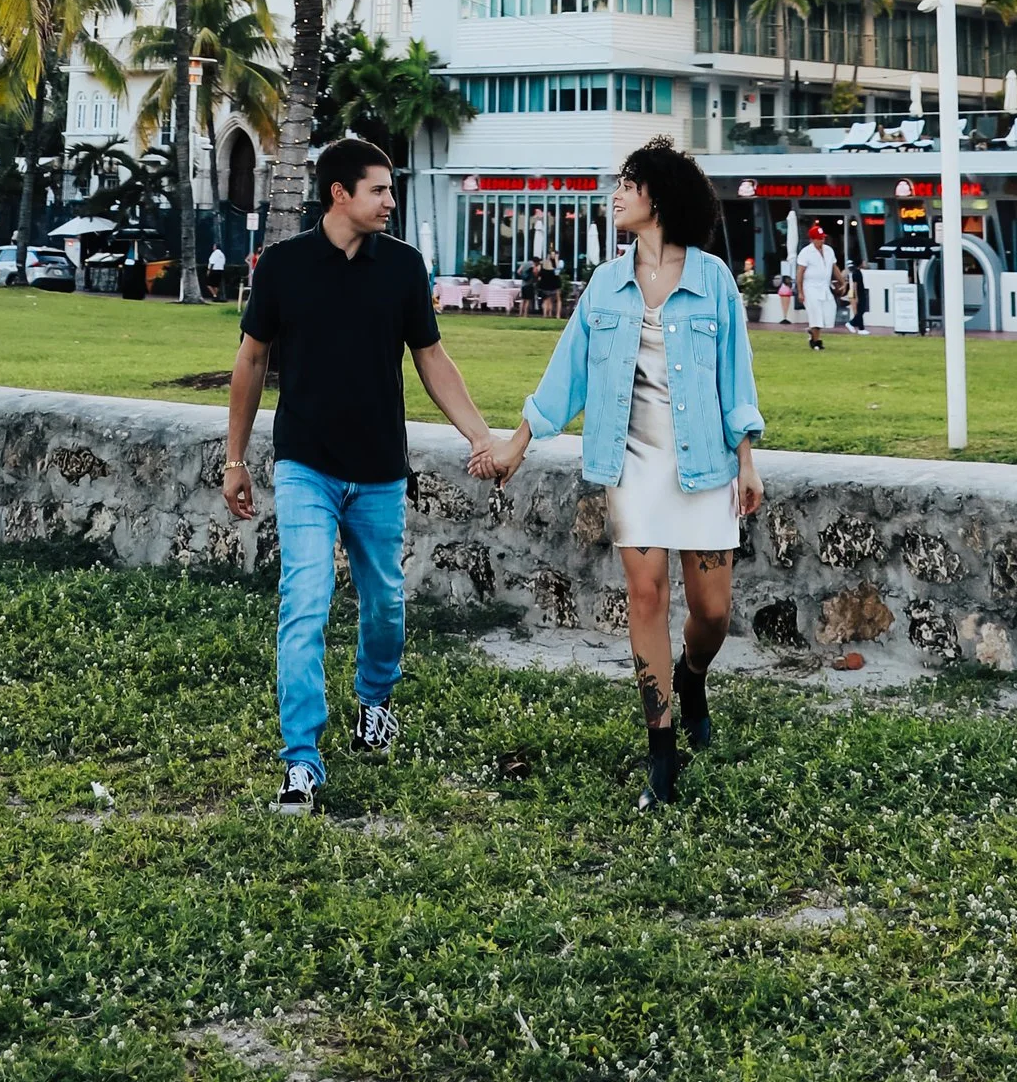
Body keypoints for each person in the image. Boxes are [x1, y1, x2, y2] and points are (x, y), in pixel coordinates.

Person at [223, 135, 504, 817]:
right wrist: (235, 459)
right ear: (339, 194)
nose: (391, 199)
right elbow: (252, 362)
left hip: (379, 469)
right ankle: (300, 762)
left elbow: (432, 359)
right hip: (305, 467)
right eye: (378, 189)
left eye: (390, 188)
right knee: (305, 604)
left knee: (385, 607)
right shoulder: (283, 266)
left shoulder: (403, 268)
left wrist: (480, 435)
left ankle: (374, 702)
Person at [478, 140, 763, 810]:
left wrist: (747, 458)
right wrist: (518, 441)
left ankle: (692, 676)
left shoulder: (714, 280)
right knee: (645, 597)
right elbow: (567, 371)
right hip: (630, 464)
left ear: (657, 196)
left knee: (712, 612)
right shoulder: (606, 284)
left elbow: (737, 376)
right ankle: (660, 751)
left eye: (627, 184)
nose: (616, 194)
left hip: (707, 465)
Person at [798, 226, 838, 351]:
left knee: (829, 311)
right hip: (810, 287)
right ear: (812, 240)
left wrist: (842, 282)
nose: (822, 241)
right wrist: (800, 291)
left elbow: (834, 267)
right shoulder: (806, 252)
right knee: (816, 314)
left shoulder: (829, 250)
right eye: (819, 239)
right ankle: (816, 342)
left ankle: (812, 332)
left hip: (824, 286)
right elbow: (800, 272)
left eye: (823, 238)